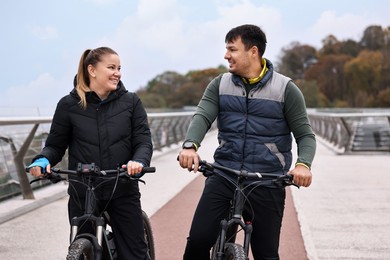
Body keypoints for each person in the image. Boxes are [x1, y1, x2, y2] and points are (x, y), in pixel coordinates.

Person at [178, 24, 316, 260]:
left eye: (232, 49)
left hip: (267, 178)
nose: (226, 55)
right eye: (226, 49)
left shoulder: (286, 89)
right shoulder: (220, 84)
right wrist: (191, 145)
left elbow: (305, 135)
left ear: (253, 51)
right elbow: (202, 115)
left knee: (266, 253)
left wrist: (303, 165)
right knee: (199, 241)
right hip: (225, 173)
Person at [27, 47, 153, 260]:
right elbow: (55, 145)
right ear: (92, 70)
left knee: (134, 254)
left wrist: (138, 162)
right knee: (84, 251)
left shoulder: (131, 102)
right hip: (83, 192)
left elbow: (143, 141)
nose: (117, 73)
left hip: (121, 188)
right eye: (111, 67)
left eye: (119, 68)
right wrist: (42, 159)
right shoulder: (68, 105)